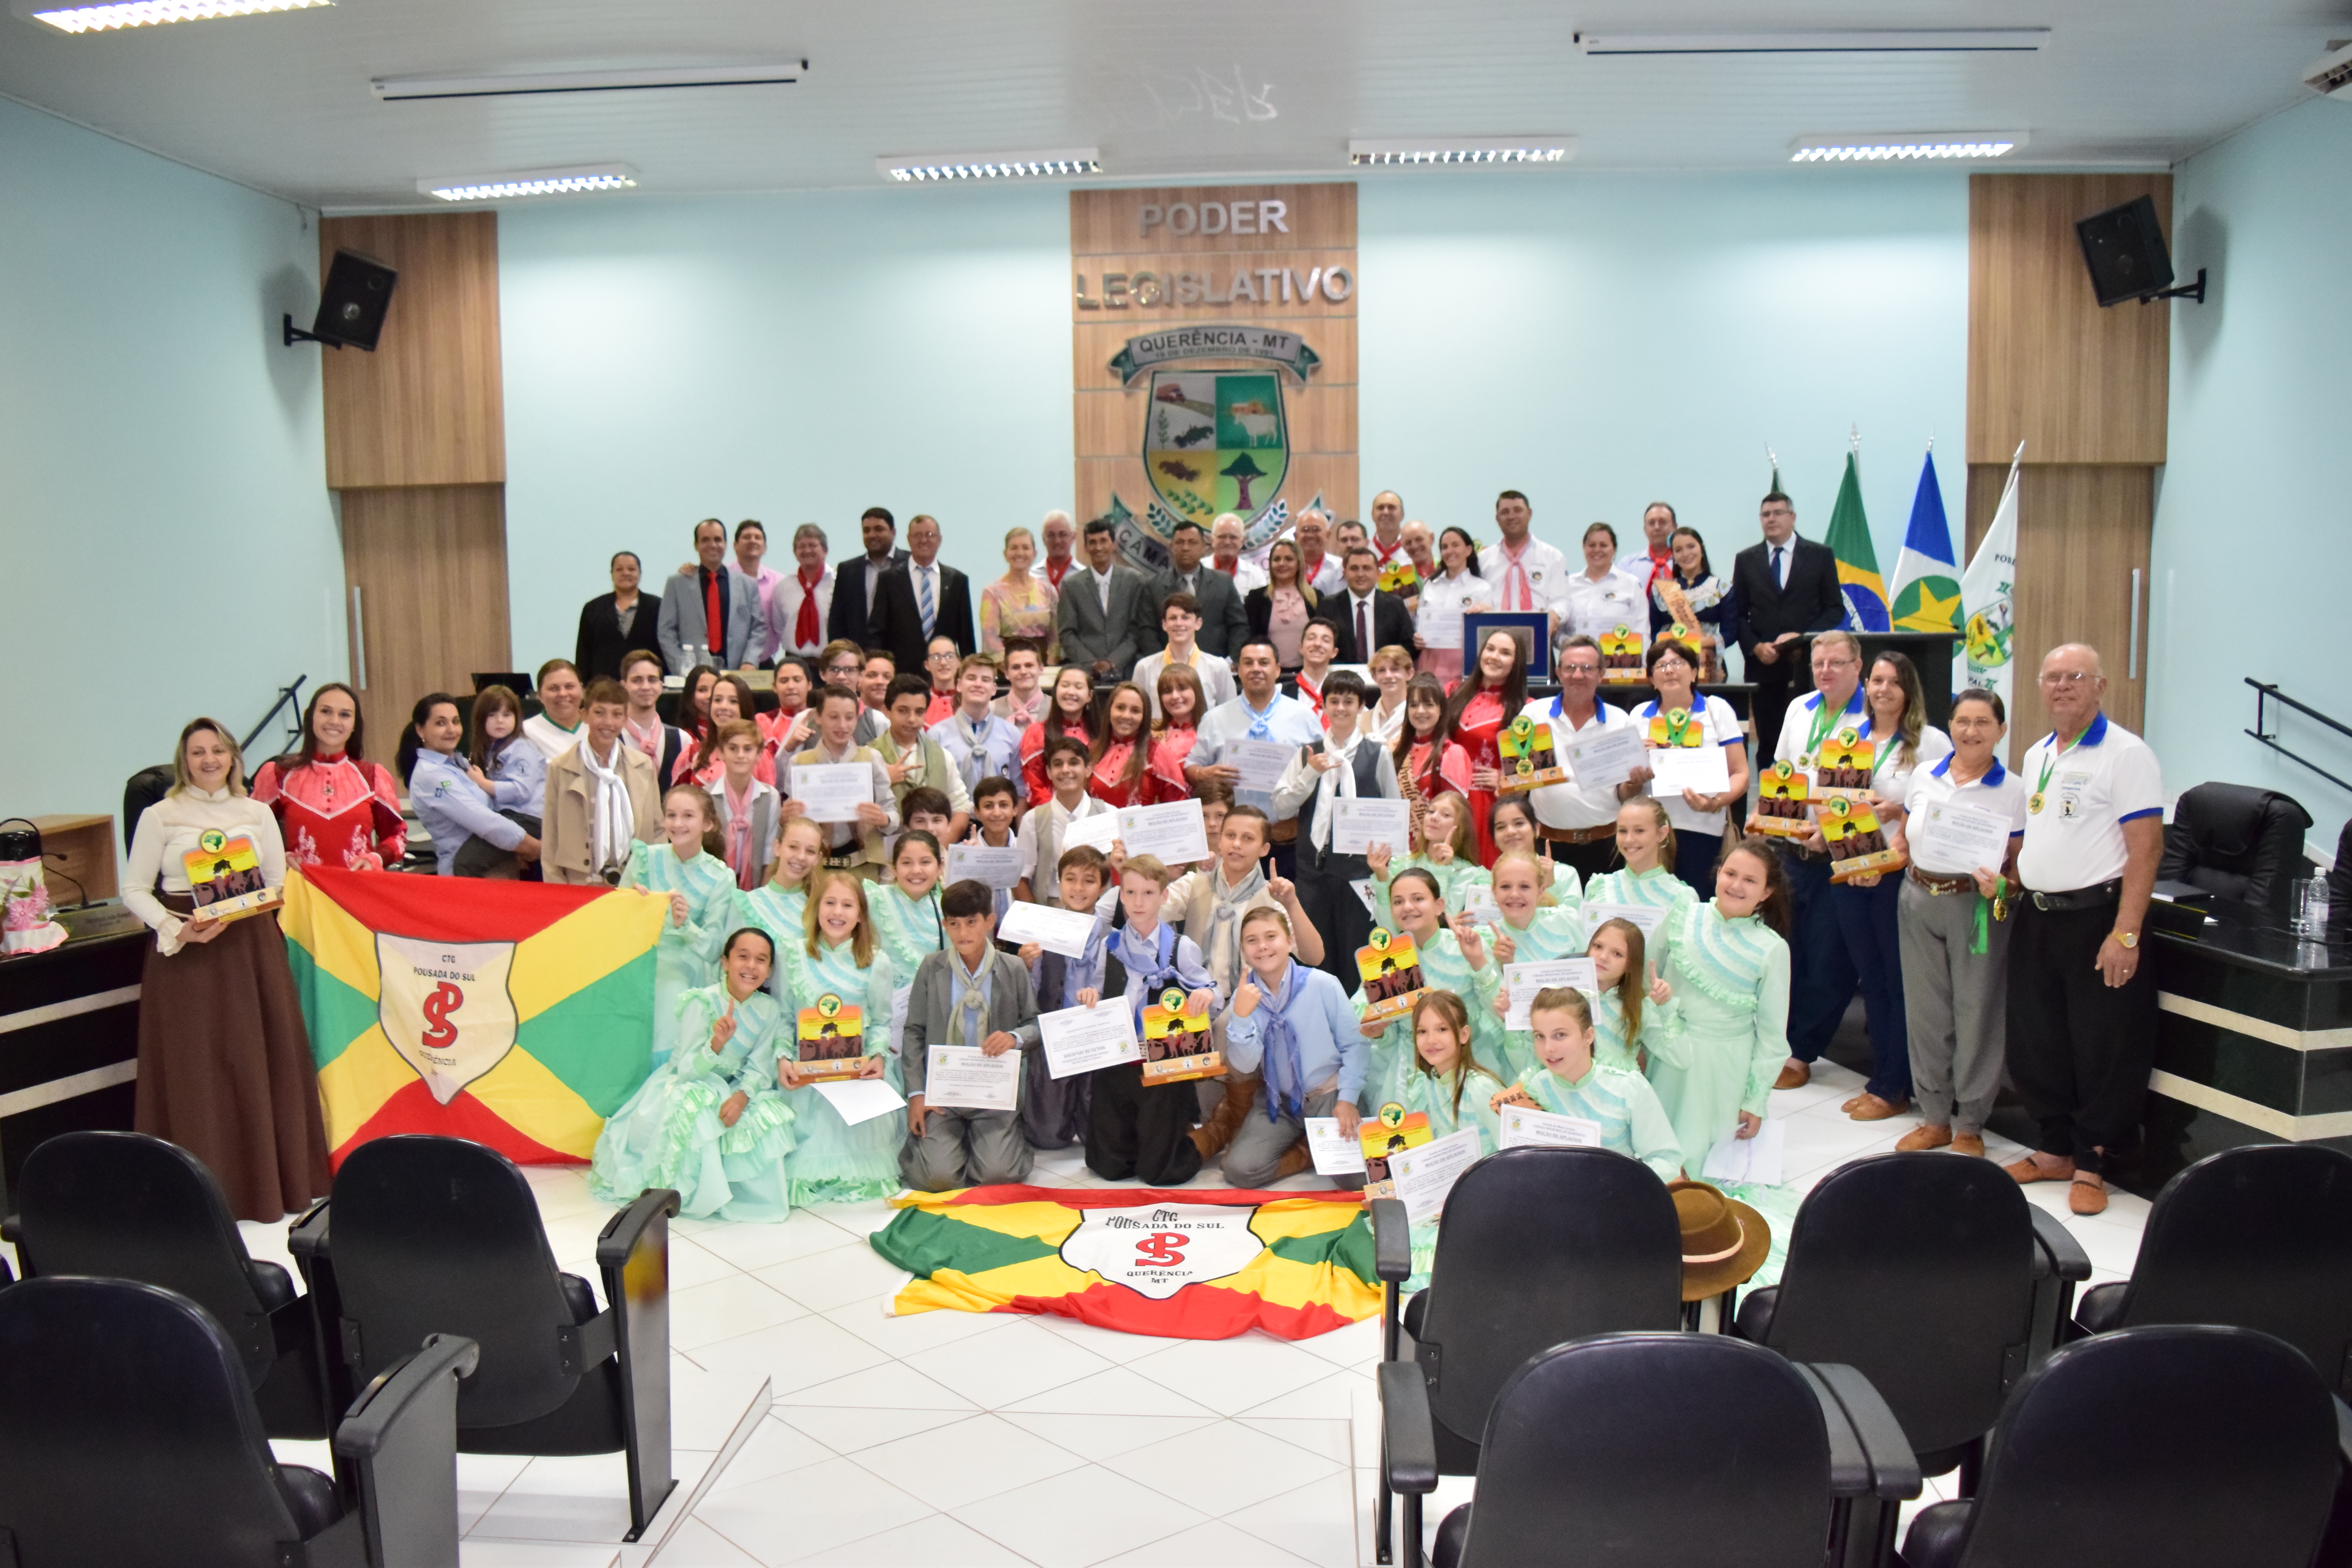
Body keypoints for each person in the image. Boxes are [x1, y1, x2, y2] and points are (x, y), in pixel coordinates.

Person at [121, 717, 330, 1222]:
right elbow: (133, 890)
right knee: (198, 1069)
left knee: (258, 1059)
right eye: (197, 752)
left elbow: (278, 883)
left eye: (218, 750)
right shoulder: (160, 815)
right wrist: (176, 929)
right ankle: (201, 1193)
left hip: (251, 950)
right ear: (183, 761)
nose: (209, 760)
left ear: (234, 757)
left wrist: (245, 906)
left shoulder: (258, 813)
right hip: (188, 955)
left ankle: (270, 1185)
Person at [2004, 644, 2163, 1217]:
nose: (2062, 686)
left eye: (2076, 677)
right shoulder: (2039, 751)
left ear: (2100, 687)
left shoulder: (2126, 755)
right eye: (2053, 678)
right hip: (2038, 916)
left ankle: (2093, 1160)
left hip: (2097, 917)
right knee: (2036, 1039)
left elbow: (2146, 849)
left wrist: (2126, 933)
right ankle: (2053, 1149)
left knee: (2102, 1045)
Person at [1821, 650, 1953, 1122]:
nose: (1882, 689)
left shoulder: (1930, 743)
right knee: (1870, 980)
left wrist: (1902, 814)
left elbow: (1944, 807)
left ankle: (1896, 1083)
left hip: (1897, 873)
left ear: (1908, 690)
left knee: (1899, 982)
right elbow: (1832, 800)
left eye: (1893, 682)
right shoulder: (1846, 737)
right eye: (1876, 680)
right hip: (1849, 871)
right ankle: (1882, 1077)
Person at [1897, 688, 2027, 1160]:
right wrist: (1866, 863)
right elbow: (1903, 841)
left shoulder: (2013, 789)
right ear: (1949, 726)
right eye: (1962, 721)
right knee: (1926, 1012)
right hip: (1916, 896)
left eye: (1983, 723)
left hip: (1975, 907)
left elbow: (2018, 867)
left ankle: (1971, 1122)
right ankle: (1934, 1116)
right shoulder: (1924, 776)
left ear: (2001, 730)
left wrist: (2006, 889)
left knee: (1977, 1013)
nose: (1971, 731)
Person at [589, 927, 795, 1219]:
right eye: (743, 957)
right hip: (688, 1083)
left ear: (770, 970)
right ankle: (695, 1195)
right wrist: (716, 1044)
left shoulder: (768, 1009)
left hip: (732, 1086)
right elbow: (686, 1072)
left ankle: (748, 1198)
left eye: (761, 960)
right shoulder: (702, 1002)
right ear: (725, 962)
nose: (751, 966)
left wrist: (742, 1097)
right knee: (698, 1108)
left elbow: (760, 1067)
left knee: (770, 1116)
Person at [1650, 838, 1791, 1176]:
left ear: (1767, 892)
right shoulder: (1684, 915)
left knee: (1706, 1165)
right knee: (1658, 1151)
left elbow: (1773, 1036)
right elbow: (1645, 975)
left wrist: (1755, 1101)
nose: (1736, 885)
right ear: (1718, 873)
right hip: (1668, 1052)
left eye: (1751, 881)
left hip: (1726, 1068)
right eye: (1730, 873)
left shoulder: (1772, 949)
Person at [1771, 631, 1871, 1091]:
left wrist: (1830, 834)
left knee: (1828, 958)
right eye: (1819, 664)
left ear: (1858, 665)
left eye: (1836, 662)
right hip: (1791, 852)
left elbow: (1876, 793)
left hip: (1841, 855)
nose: (1826, 671)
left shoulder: (1872, 715)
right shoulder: (1800, 708)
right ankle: (1782, 1040)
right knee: (1788, 951)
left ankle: (1803, 1050)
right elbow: (1783, 773)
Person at [1083, 856, 1221, 1186]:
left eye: (1148, 892)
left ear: (1164, 897)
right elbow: (1099, 990)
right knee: (1109, 1167)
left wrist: (1207, 997)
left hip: (1163, 1062)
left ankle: (1208, 1136)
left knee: (1160, 1171)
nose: (1139, 902)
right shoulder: (1110, 945)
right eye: (1130, 892)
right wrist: (1089, 996)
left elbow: (1209, 990)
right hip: (1118, 1057)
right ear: (1121, 896)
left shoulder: (1180, 948)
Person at [900, 878, 1043, 1190]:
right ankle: (948, 1146)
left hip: (993, 1092)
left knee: (997, 1175)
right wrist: (916, 1095)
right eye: (954, 924)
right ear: (945, 925)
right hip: (943, 1093)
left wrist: (1014, 1038)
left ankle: (998, 1142)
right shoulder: (931, 967)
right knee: (938, 1178)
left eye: (972, 923)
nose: (963, 933)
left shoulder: (1014, 967)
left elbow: (1035, 1024)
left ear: (990, 922)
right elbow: (914, 1032)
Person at [776, 870, 902, 1204]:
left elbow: (881, 1022)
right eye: (830, 903)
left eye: (848, 905)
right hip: (807, 1073)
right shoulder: (792, 954)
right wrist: (783, 1058)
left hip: (854, 1071)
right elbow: (785, 1018)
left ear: (860, 915)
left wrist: (877, 1056)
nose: (837, 912)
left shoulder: (876, 962)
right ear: (816, 908)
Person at [1220, 907, 1366, 1186]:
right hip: (1281, 1101)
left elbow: (1356, 1047)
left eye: (1271, 936)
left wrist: (1348, 1100)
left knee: (1354, 1179)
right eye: (1252, 940)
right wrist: (1239, 1017)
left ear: (1289, 942)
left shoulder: (1322, 984)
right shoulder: (1245, 996)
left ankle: (1322, 1143)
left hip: (1327, 1095)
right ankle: (1307, 1152)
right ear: (1244, 949)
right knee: (1239, 1171)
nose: (1262, 947)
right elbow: (1245, 1065)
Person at [1274, 670, 1401, 987]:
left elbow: (1394, 810)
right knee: (1313, 962)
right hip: (1312, 875)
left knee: (1361, 960)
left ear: (1361, 707)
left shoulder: (1378, 752)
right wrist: (1309, 775)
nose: (1341, 708)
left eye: (1349, 701)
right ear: (1324, 705)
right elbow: (1281, 808)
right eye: (1334, 701)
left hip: (1360, 876)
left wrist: (1393, 870)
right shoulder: (1307, 752)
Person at [1490, 987, 1683, 1181]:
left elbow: (1666, 1160)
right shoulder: (1531, 1090)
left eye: (1560, 1035)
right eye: (1540, 1036)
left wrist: (1619, 1182)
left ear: (1588, 1036)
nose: (1549, 1048)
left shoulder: (1628, 1088)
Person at [1384, 991, 1510, 1283]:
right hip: (1447, 1188)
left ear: (1464, 1034)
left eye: (1442, 1029)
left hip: (1485, 1193)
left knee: (1422, 1257)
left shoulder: (1480, 1087)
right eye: (1423, 1032)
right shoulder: (1427, 1083)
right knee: (1390, 1233)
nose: (1431, 1040)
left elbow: (1510, 1153)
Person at [622, 783, 739, 1067]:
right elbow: (615, 923)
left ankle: (662, 1077)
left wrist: (686, 926)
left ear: (708, 824)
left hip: (687, 967)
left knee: (670, 990)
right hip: (638, 959)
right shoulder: (644, 858)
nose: (677, 823)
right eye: (671, 815)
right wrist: (631, 904)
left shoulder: (720, 877)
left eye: (688, 816)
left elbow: (715, 949)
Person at [1184, 639, 1328, 867]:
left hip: (1287, 837)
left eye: (1264, 663)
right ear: (1239, 670)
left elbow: (1323, 775)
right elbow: (1191, 767)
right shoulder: (1216, 718)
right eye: (1248, 663)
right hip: (1232, 842)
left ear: (1278, 670)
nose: (1256, 669)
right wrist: (1204, 773)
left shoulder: (1304, 718)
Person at [1515, 634, 1644, 882]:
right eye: (1570, 668)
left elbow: (1625, 795)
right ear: (1559, 672)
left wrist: (1636, 783)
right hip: (1548, 846)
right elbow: (1520, 782)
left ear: (1601, 673)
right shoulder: (1533, 715)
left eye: (1587, 668)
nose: (1578, 675)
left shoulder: (1621, 722)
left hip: (1608, 845)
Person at [1732, 489, 1844, 763]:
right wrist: (1756, 647)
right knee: (1768, 742)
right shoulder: (1746, 560)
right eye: (1766, 515)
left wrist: (1803, 637)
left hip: (1809, 663)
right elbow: (1736, 614)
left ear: (1793, 517)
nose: (1772, 519)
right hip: (1763, 665)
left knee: (1809, 737)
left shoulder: (1820, 555)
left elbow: (1835, 609)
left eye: (1778, 513)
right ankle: (1770, 803)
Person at [1633, 637, 1751, 890]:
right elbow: (1627, 781)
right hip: (1650, 833)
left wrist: (1714, 804)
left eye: (1678, 662)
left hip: (1703, 830)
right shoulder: (1639, 716)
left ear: (1695, 672)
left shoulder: (1716, 710)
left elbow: (1741, 774)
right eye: (1661, 666)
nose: (1670, 670)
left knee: (1698, 907)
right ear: (1651, 679)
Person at [250, 682, 405, 872]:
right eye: (326, 712)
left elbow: (398, 836)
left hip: (360, 892)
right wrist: (281, 857)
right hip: (302, 892)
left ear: (355, 725)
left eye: (345, 715)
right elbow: (250, 833)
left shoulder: (373, 776)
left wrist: (377, 858)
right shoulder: (278, 774)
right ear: (310, 717)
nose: (335, 721)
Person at [1465, 849, 1591, 1080]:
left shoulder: (1565, 921)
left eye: (1525, 887)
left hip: (1574, 1051)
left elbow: (1590, 986)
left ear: (1542, 891)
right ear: (1493, 892)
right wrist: (1504, 966)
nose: (1515, 895)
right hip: (1516, 1056)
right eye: (1505, 887)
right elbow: (1495, 1010)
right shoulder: (1481, 940)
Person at [401, 693, 540, 875]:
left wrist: (520, 848)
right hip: (466, 874)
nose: (452, 730)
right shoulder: (431, 775)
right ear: (420, 730)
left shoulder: (461, 763)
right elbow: (485, 821)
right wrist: (536, 848)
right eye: (441, 723)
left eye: (456, 721)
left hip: (498, 866)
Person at [545, 679, 663, 885]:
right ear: (584, 715)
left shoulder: (643, 766)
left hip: (635, 884)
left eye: (617, 714)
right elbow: (550, 839)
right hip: (579, 883)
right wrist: (557, 892)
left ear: (626, 719)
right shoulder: (561, 768)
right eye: (600, 713)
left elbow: (658, 830)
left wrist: (655, 882)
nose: (609, 723)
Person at [782, 685, 898, 878]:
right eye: (834, 717)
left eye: (850, 718)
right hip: (814, 868)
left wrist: (883, 819)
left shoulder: (871, 759)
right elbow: (791, 823)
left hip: (863, 864)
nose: (843, 726)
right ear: (818, 718)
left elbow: (892, 815)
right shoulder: (800, 763)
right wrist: (786, 818)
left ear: (857, 718)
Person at [1442, 625, 1530, 864]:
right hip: (1449, 799)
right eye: (1490, 649)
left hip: (1492, 805)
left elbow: (1539, 772)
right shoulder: (1453, 692)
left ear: (1516, 662)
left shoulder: (1528, 708)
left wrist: (1506, 778)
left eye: (1505, 653)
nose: (1494, 657)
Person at [1585, 798, 1700, 959]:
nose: (1629, 840)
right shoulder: (1599, 886)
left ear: (1661, 833)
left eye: (1640, 831)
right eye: (1623, 831)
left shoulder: (1682, 898)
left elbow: (1679, 963)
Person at [456, 684, 545, 878]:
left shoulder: (523, 748)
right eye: (492, 715)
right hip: (510, 817)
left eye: (507, 715)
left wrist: (482, 782)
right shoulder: (490, 749)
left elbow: (521, 790)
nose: (500, 721)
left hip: (527, 819)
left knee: (466, 863)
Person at [1582, 915, 1687, 1076]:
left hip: (1616, 1095)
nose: (1603, 957)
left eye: (1617, 954)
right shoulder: (1564, 995)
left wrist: (1666, 1009)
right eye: (1598, 946)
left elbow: (1682, 1059)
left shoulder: (1639, 1008)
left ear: (1631, 964)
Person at [870, 514, 976, 673]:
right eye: (918, 535)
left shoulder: (957, 581)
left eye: (930, 535)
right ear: (908, 539)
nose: (924, 540)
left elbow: (965, 635)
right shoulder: (889, 579)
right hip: (901, 671)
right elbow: (878, 630)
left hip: (944, 672)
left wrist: (970, 671)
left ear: (939, 540)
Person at [659, 518, 768, 673]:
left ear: (726, 544)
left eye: (718, 540)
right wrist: (681, 666)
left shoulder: (747, 585)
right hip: (692, 675)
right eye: (705, 540)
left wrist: (750, 661)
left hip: (737, 672)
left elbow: (759, 628)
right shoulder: (677, 584)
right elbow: (666, 632)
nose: (713, 545)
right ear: (696, 545)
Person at [1015, 735, 1114, 904]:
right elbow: (1021, 879)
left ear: (1088, 769)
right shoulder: (1033, 820)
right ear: (1049, 772)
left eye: (1074, 763)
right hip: (1049, 908)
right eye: (1058, 764)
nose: (1066, 770)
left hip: (1100, 910)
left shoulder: (1109, 814)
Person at [875, 674, 971, 842]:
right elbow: (854, 812)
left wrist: (939, 847)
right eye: (903, 711)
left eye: (919, 712)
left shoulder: (942, 755)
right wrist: (883, 781)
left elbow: (961, 807)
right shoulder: (869, 755)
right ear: (886, 711)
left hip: (933, 859)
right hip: (883, 860)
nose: (912, 719)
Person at [1057, 517, 1153, 680]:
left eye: (1104, 541)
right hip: (1086, 674)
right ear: (1086, 547)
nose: (1098, 547)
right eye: (1093, 542)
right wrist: (1091, 664)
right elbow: (1067, 634)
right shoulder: (1072, 586)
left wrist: (1113, 662)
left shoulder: (1134, 581)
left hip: (1126, 671)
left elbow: (1138, 630)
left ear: (1114, 544)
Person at [1650, 525, 1741, 681]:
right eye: (1679, 550)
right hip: (1669, 665)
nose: (1686, 554)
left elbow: (1731, 633)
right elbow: (1653, 633)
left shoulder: (1721, 587)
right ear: (1673, 555)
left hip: (1708, 663)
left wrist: (1699, 643)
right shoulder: (1661, 590)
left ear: (1702, 548)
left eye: (1691, 547)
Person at [1148, 519, 1249, 658]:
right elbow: (1147, 630)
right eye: (1180, 542)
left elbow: (1238, 626)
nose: (1186, 548)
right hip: (1168, 669)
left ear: (1204, 547)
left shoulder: (1223, 583)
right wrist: (1160, 662)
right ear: (1171, 547)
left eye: (1192, 542)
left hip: (1217, 665)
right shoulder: (1154, 585)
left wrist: (1235, 659)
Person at [931, 653, 1025, 802]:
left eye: (986, 680)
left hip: (999, 819)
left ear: (994, 689)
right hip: (953, 820)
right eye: (972, 678)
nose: (978, 684)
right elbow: (933, 791)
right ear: (959, 685)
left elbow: (1019, 790)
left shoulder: (1011, 734)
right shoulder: (937, 735)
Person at [1392, 672, 1473, 840]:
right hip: (1398, 850)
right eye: (1414, 705)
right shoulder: (1394, 751)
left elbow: (1457, 817)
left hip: (1435, 850)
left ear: (1441, 710)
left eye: (1428, 705)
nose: (1420, 711)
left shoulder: (1452, 754)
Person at [1133, 592, 1238, 719]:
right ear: (1164, 625)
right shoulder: (1145, 667)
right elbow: (1138, 713)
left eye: (1185, 617)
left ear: (1198, 624)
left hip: (1203, 737)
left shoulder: (1218, 667)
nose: (1179, 623)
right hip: (1159, 737)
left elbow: (1230, 714)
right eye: (1173, 618)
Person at [737, 815, 827, 960]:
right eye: (793, 847)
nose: (801, 857)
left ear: (818, 858)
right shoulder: (748, 904)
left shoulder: (821, 910)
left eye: (810, 851)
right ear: (777, 848)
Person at [1478, 489, 1570, 630]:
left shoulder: (1553, 557)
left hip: (1540, 636)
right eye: (1505, 512)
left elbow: (1562, 600)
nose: (1512, 516)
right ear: (1497, 519)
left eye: (1518, 510)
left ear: (1530, 514)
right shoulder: (1483, 560)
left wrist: (1554, 615)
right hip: (1494, 640)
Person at [707, 720, 781, 890]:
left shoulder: (770, 797)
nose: (740, 755)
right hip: (714, 888)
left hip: (756, 887)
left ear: (759, 754)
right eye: (733, 749)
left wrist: (760, 899)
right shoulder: (706, 797)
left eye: (748, 749)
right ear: (721, 753)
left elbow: (770, 856)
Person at [1414, 525, 1491, 683]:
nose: (1449, 551)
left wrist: (1485, 614)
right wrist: (1417, 638)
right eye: (1444, 547)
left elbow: (1487, 633)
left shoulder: (1482, 588)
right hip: (1431, 661)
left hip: (1465, 663)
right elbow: (1419, 624)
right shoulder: (1430, 585)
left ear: (1469, 550)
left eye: (1455, 545)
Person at [826, 505, 909, 648]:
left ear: (893, 532)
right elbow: (837, 621)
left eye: (879, 529)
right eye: (867, 531)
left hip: (903, 655)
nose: (872, 535)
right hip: (858, 655)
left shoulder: (910, 564)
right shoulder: (847, 570)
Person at [575, 551, 666, 681]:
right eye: (619, 569)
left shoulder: (658, 606)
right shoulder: (593, 608)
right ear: (612, 574)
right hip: (603, 685)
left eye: (631, 569)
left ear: (640, 574)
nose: (626, 573)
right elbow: (583, 653)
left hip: (646, 684)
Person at [871, 829, 948, 980]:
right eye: (907, 863)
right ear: (893, 868)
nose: (916, 870)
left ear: (940, 867)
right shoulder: (874, 898)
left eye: (925, 862)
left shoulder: (945, 907)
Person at [1558, 522, 1648, 648]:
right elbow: (1558, 630)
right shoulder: (1568, 585)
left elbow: (1642, 631)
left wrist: (1640, 666)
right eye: (1592, 545)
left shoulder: (1632, 584)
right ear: (1584, 548)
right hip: (1577, 661)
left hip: (1619, 663)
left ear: (1614, 549)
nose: (1597, 550)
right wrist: (1570, 644)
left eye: (1604, 545)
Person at [1021, 664, 1099, 806]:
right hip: (1050, 815)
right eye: (1065, 685)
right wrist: (1058, 812)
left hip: (1094, 815)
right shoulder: (1037, 733)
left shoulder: (1100, 734)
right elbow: (1034, 783)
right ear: (1056, 691)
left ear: (1090, 696)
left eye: (1079, 687)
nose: (1071, 692)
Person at [1328, 545, 1416, 668]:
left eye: (1367, 568)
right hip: (1343, 680)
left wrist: (1389, 666)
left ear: (1378, 574)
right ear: (1345, 573)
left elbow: (1408, 646)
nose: (1360, 574)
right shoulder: (1329, 606)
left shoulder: (1395, 605)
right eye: (1354, 569)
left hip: (1385, 677)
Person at [612, 648, 690, 784]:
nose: (646, 687)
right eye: (637, 680)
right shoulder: (612, 739)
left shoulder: (682, 740)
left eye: (652, 680)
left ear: (661, 686)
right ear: (623, 686)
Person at [1243, 538, 1318, 671]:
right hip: (1268, 673)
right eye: (1277, 559)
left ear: (1299, 564)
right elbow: (1251, 638)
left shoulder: (1315, 598)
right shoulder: (1257, 599)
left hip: (1308, 672)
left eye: (1289, 559)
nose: (1282, 564)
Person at [1487, 798, 1580, 904]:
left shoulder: (1564, 874)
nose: (1511, 831)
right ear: (1494, 838)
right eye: (1501, 827)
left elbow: (1573, 918)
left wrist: (1549, 886)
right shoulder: (1485, 880)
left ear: (1536, 829)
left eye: (1519, 824)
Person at [982, 525, 1058, 654]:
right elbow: (990, 638)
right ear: (1005, 554)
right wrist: (1009, 667)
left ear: (1035, 554)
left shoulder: (1048, 590)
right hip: (1008, 667)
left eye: (1026, 548)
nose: (1020, 553)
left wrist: (1050, 663)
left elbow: (1056, 635)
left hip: (1044, 665)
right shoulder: (992, 593)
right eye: (1014, 548)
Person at [766, 522, 834, 664]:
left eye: (813, 545)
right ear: (795, 552)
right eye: (802, 546)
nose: (807, 550)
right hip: (793, 661)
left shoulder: (837, 582)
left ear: (825, 550)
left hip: (829, 662)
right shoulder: (783, 587)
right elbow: (780, 627)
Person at [1086, 681, 1158, 808]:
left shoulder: (1158, 752)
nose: (1126, 716)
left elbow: (1177, 804)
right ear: (1109, 710)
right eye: (1120, 708)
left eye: (1135, 711)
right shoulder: (1091, 750)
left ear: (1144, 717)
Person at [725, 519, 786, 665]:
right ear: (735, 546)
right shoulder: (723, 578)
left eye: (758, 538)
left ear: (764, 548)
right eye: (747, 537)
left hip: (764, 662)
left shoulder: (778, 582)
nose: (753, 541)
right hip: (728, 663)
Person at [1149, 663, 1208, 802]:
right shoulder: (1153, 734)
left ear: (1197, 691)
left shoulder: (1211, 731)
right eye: (1167, 691)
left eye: (1182, 689)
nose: (1175, 696)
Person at [523, 659, 586, 760]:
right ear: (540, 695)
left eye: (570, 687)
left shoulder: (599, 726)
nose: (563, 694)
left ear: (582, 690)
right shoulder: (526, 732)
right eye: (553, 688)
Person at [1283, 619, 1340, 717]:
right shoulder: (1280, 693)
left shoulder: (1343, 692)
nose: (1318, 644)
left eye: (1326, 640)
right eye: (1311, 638)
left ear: (1334, 652)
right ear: (1301, 648)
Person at [1622, 501, 1678, 598]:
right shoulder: (1628, 565)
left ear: (1675, 527)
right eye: (1652, 523)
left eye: (1663, 522)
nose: (1657, 527)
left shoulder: (1684, 563)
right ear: (1645, 529)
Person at [993, 640, 1051, 730]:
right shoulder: (992, 710)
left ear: (1041, 669)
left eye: (1029, 666)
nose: (1023, 672)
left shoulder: (1056, 709)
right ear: (1007, 673)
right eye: (1016, 667)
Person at [1364, 644, 1415, 744]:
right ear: (1374, 677)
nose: (1388, 675)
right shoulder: (1361, 720)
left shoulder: (1417, 718)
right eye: (1382, 670)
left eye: (1395, 669)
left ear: (1410, 674)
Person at [1210, 512, 1269, 594]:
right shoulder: (1198, 571)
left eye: (1233, 537)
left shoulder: (1255, 575)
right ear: (1212, 540)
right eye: (1222, 537)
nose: (1227, 542)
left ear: (1242, 541)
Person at [1290, 510, 1344, 596]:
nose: (1311, 535)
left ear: (1328, 535)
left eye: (1316, 530)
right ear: (1296, 537)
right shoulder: (1286, 568)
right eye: (1306, 530)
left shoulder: (1341, 567)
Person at [1031, 509, 1079, 593]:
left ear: (1074, 537)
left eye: (1063, 534)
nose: (1057, 541)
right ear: (1043, 539)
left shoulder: (1084, 576)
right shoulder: (1032, 576)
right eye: (1051, 535)